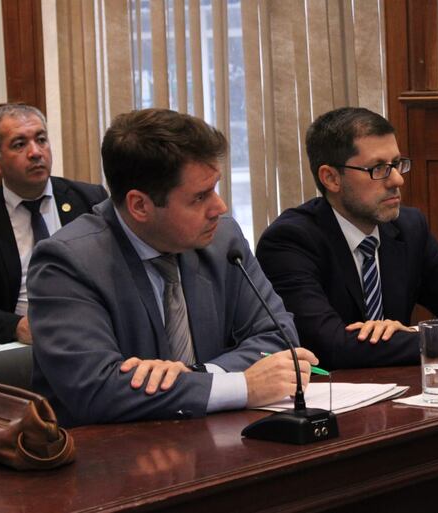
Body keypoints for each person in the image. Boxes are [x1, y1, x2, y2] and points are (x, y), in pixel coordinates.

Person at [28, 108, 317, 427]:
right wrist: (240, 386)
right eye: (200, 197)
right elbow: (97, 390)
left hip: (214, 442)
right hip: (110, 459)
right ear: (140, 205)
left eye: (215, 188)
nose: (219, 208)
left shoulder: (223, 240)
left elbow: (279, 337)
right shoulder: (67, 263)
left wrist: (200, 375)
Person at [256, 107, 438, 369]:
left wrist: (414, 334)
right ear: (331, 178)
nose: (397, 180)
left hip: (402, 389)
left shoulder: (408, 227)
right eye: (378, 169)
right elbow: (330, 346)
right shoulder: (290, 241)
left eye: (397, 164)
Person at [0, 104, 108, 346]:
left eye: (41, 140)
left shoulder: (90, 201)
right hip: (21, 349)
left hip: (93, 332)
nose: (35, 152)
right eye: (19, 144)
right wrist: (15, 326)